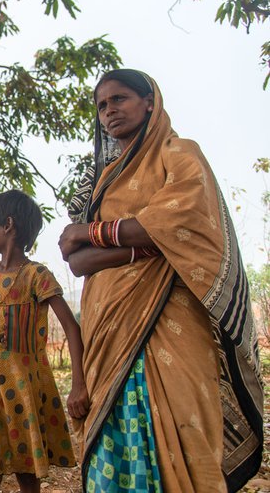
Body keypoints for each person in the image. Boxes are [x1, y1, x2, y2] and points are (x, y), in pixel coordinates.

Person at [59, 69, 262, 492]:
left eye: (120, 99)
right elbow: (76, 260)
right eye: (101, 105)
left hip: (173, 317)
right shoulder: (99, 177)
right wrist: (148, 240)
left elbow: (184, 221)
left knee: (184, 427)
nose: (109, 111)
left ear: (150, 101)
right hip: (107, 322)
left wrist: (95, 234)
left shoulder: (179, 153)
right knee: (112, 435)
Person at [0, 189, 88, 493]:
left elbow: (72, 329)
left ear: (8, 225)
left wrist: (79, 385)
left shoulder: (37, 276)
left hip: (25, 391)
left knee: (27, 469)